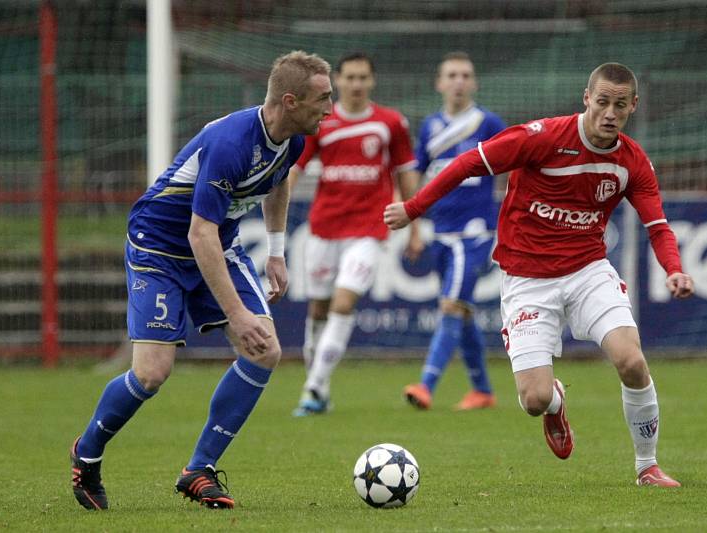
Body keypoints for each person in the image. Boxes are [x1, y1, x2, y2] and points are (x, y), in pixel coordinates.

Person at [385, 63, 694, 487]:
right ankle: (555, 403)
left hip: (588, 271)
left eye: (619, 105)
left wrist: (674, 270)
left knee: (631, 361)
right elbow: (465, 164)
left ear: (632, 106)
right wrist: (413, 208)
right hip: (527, 279)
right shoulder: (543, 137)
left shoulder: (632, 162)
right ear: (586, 98)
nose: (609, 112)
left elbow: (657, 227)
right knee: (534, 399)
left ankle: (647, 466)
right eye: (602, 102)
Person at [70, 50, 333, 510]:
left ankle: (199, 470)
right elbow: (198, 232)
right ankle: (86, 453)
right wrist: (236, 313)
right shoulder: (232, 142)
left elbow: (279, 180)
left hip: (216, 242)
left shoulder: (293, 138)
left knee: (265, 349)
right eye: (323, 99)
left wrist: (276, 251)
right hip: (159, 246)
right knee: (152, 373)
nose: (330, 108)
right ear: (290, 101)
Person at [289, 52, 422, 416]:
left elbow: (406, 173)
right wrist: (277, 204)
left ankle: (313, 388)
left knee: (343, 303)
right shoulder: (322, 120)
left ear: (372, 81)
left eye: (363, 77)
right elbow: (296, 167)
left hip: (368, 229)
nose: (357, 84)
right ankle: (320, 386)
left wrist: (415, 225)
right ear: (339, 82)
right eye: (350, 78)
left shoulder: (390, 123)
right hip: (324, 228)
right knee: (318, 309)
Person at [403, 52, 506, 411]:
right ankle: (482, 390)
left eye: (466, 74)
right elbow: (415, 172)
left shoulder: (488, 123)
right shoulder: (431, 126)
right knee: (461, 311)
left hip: (473, 235)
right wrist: (413, 227)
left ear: (474, 83)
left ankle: (426, 384)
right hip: (440, 233)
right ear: (440, 83)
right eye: (452, 75)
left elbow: (514, 166)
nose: (459, 81)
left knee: (450, 306)